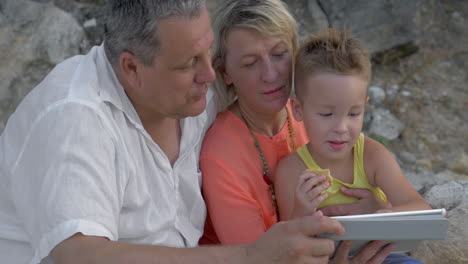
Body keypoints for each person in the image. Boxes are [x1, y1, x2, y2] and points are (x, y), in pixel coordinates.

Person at [0, 1, 351, 263]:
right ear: (132, 68)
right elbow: (79, 254)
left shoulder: (194, 94)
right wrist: (249, 256)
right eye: (188, 64)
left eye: (207, 53)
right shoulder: (75, 118)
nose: (209, 75)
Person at [199, 1, 395, 263]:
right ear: (225, 73)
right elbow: (257, 257)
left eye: (279, 54)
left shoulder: (316, 113)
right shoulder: (221, 155)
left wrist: (379, 210)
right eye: (250, 63)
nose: (271, 75)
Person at [274, 28, 431, 263]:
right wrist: (302, 209)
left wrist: (381, 215)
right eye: (327, 114)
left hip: (381, 258)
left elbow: (421, 210)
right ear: (298, 109)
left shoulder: (371, 155)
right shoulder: (291, 171)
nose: (341, 127)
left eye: (353, 113)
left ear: (365, 106)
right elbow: (290, 246)